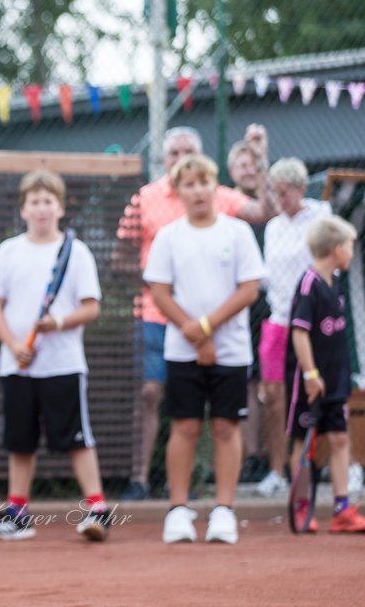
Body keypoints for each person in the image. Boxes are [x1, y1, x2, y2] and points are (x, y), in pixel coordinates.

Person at [117, 126, 276, 501]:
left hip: (220, 329)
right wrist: (165, 286)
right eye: (174, 153)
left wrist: (261, 162)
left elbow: (265, 210)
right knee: (153, 395)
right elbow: (120, 258)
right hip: (159, 319)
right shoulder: (145, 198)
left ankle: (220, 498)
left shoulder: (221, 197)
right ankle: (141, 479)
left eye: (189, 151)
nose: (181, 159)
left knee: (223, 419)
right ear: (165, 160)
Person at [0, 170, 113, 542]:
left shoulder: (77, 251)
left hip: (63, 365)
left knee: (76, 438)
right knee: (19, 441)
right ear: (22, 209)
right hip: (17, 367)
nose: (41, 208)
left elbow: (91, 307)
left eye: (48, 201)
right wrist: (14, 345)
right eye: (34, 202)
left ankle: (98, 510)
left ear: (61, 208)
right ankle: (18, 514)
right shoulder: (8, 251)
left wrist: (59, 322)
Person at [144, 154, 264, 544]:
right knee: (186, 426)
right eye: (189, 185)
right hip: (183, 351)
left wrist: (207, 328)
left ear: (216, 187)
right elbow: (159, 291)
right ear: (177, 192)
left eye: (203, 183)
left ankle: (224, 512)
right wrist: (192, 334)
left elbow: (249, 289)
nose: (197, 191)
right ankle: (178, 511)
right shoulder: (168, 237)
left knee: (227, 427)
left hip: (231, 350)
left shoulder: (238, 233)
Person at [253, 158, 331, 497]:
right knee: (273, 395)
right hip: (278, 321)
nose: (278, 199)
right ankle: (277, 471)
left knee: (320, 392)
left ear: (300, 188)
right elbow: (266, 278)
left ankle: (332, 465)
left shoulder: (320, 216)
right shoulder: (273, 227)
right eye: (274, 192)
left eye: (283, 192)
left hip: (312, 324)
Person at [284, 216, 365, 533]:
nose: (352, 253)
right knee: (303, 443)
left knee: (341, 437)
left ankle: (342, 509)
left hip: (336, 379)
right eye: (350, 247)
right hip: (309, 383)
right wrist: (310, 374)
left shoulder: (336, 283)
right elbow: (299, 334)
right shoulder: (308, 285)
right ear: (336, 248)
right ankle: (302, 506)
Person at [226, 130, 273, 483]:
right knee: (244, 382)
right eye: (242, 164)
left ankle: (270, 459)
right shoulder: (226, 205)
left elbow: (267, 205)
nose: (248, 169)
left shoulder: (268, 205)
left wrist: (262, 156)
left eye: (252, 164)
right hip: (236, 304)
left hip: (270, 304)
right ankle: (247, 456)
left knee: (271, 384)